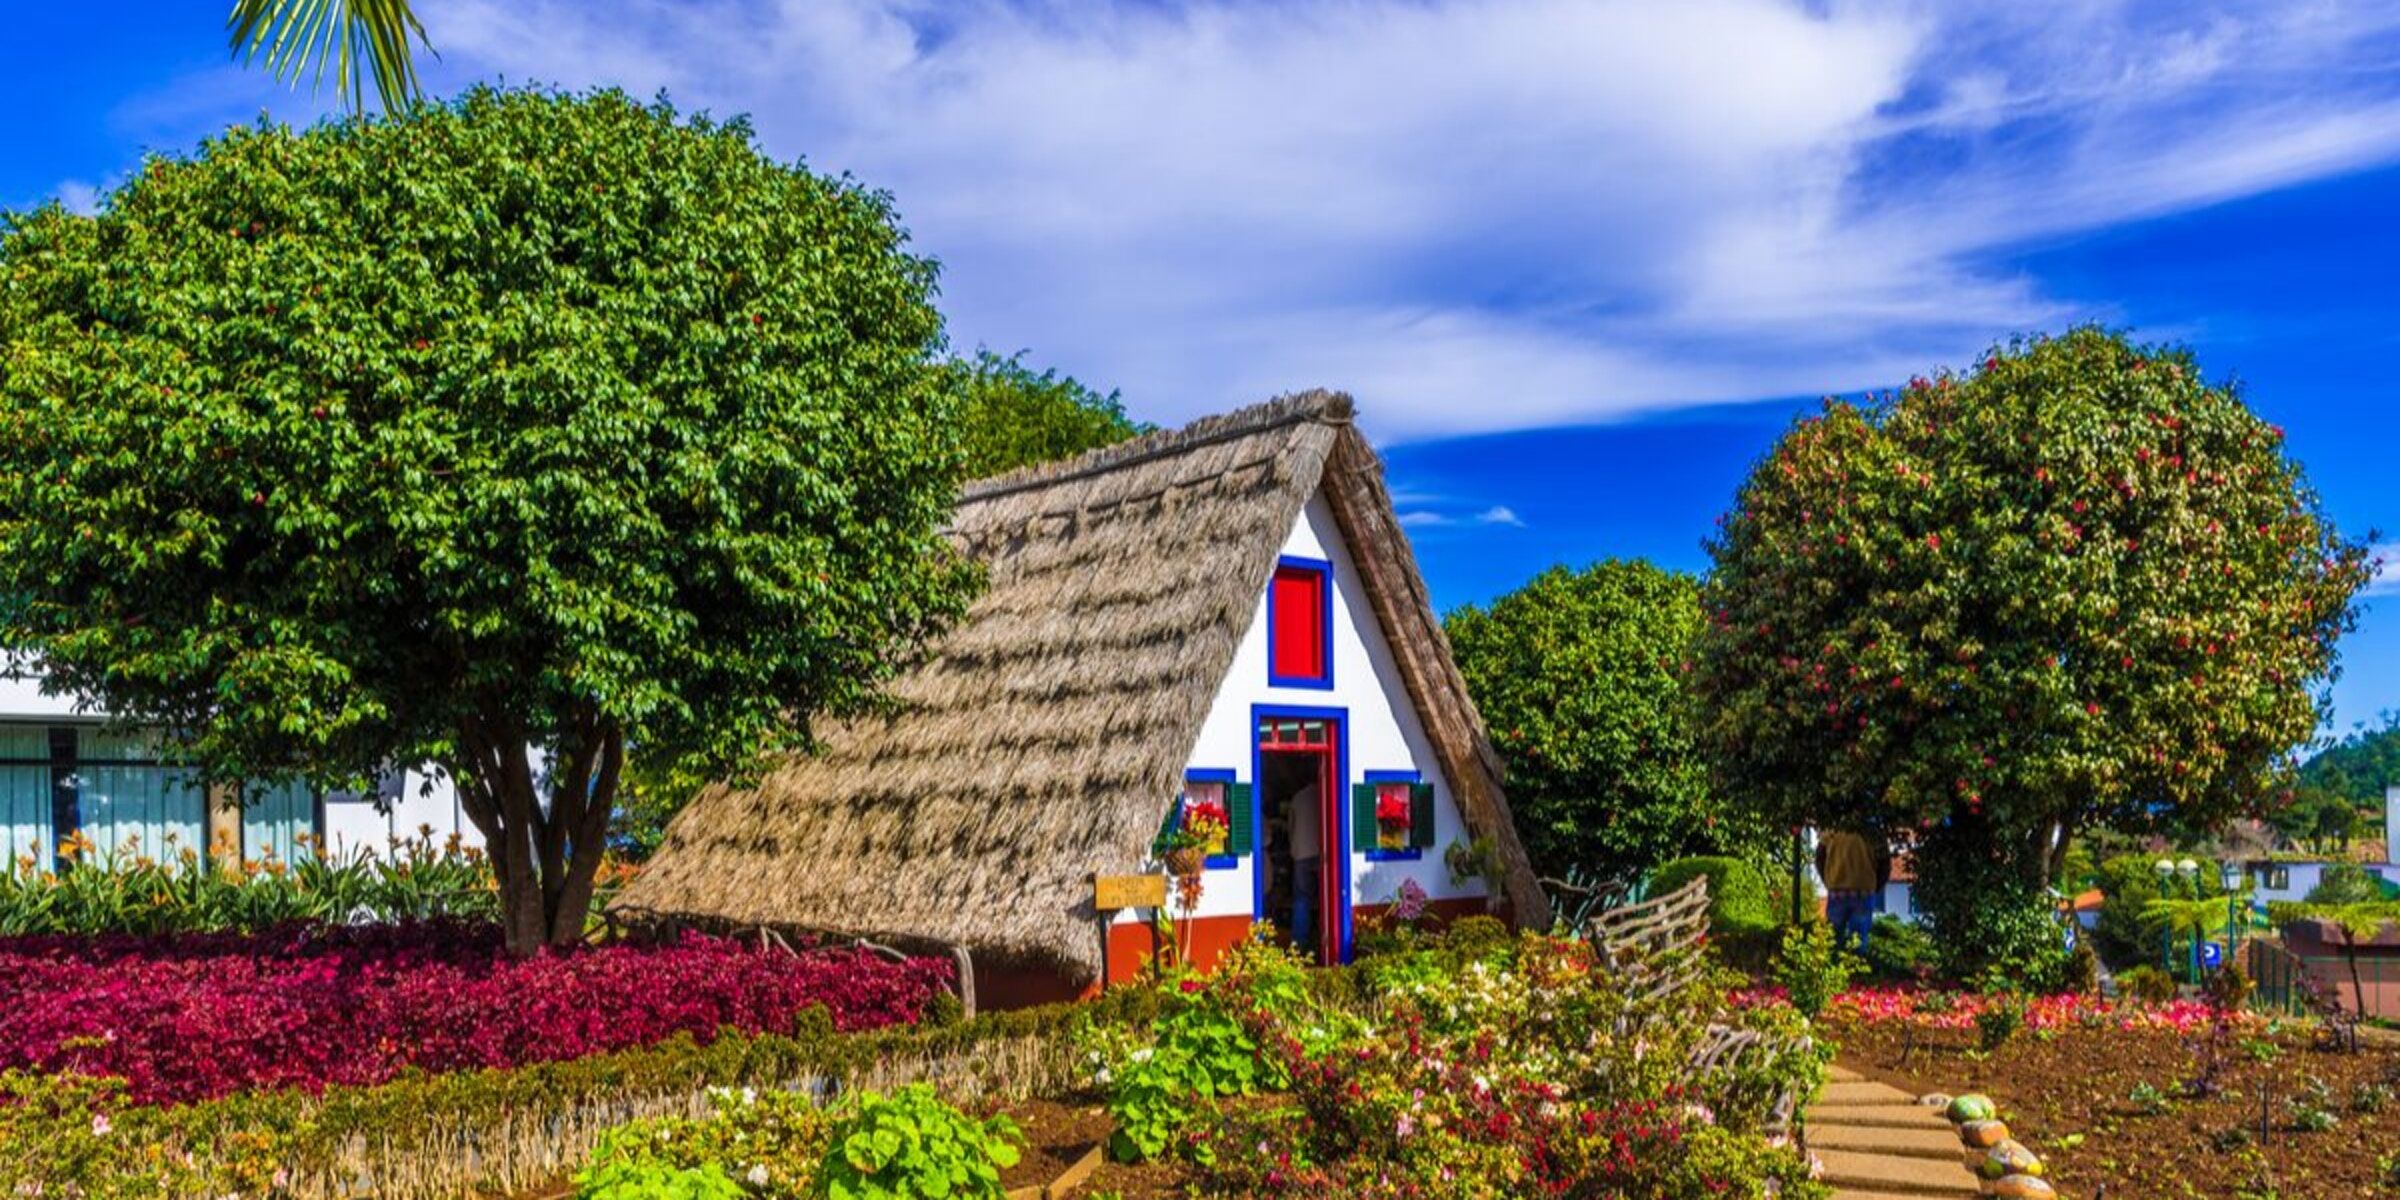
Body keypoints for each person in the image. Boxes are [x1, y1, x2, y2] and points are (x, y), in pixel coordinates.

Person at [1817, 828, 1887, 956]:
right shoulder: (1873, 831)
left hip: (1837, 891)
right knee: (1859, 939)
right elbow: (1885, 863)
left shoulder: (1832, 830)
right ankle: (1857, 970)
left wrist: (1828, 881)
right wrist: (1874, 887)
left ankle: (1833, 968)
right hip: (1864, 891)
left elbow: (1819, 858)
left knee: (1833, 938)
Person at [1289, 782, 1321, 954]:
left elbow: (1290, 827)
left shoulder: (1298, 797)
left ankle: (1299, 945)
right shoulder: (1324, 792)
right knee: (1325, 898)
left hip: (1301, 853)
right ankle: (1322, 939)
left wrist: (1293, 848)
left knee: (1302, 900)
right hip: (1322, 853)